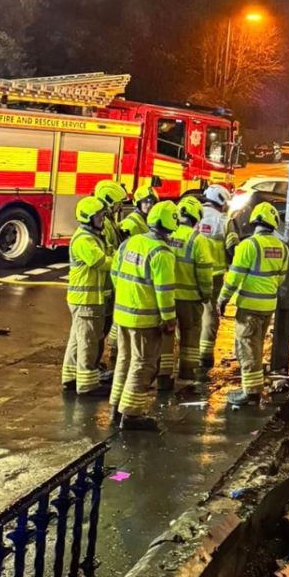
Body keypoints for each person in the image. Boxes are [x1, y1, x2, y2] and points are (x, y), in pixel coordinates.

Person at [109, 200, 178, 431]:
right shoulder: (162, 253)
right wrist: (169, 319)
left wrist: (125, 299)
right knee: (144, 364)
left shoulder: (131, 242)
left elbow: (115, 273)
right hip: (144, 320)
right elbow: (164, 292)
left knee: (124, 361)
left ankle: (116, 407)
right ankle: (131, 414)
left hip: (122, 315)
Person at [217, 201, 287, 408]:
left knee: (247, 348)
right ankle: (253, 389)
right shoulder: (281, 248)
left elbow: (234, 277)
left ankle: (250, 393)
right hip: (267, 307)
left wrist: (223, 299)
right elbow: (281, 278)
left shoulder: (248, 245)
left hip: (249, 307)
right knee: (256, 347)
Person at [61, 196, 111, 397]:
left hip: (85, 298)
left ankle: (71, 379)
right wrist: (122, 260)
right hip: (87, 300)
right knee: (89, 342)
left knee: (78, 339)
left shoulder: (92, 236)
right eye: (99, 216)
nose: (102, 219)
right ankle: (87, 385)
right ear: (88, 218)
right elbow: (100, 262)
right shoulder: (85, 240)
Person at [169, 196, 216, 382]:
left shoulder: (168, 234)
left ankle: (165, 376)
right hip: (190, 299)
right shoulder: (197, 240)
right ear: (196, 217)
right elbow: (204, 272)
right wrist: (206, 294)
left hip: (167, 297)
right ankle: (187, 374)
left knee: (167, 337)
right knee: (190, 335)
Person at [197, 184, 237, 370]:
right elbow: (232, 249)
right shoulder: (224, 221)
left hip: (189, 274)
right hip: (214, 276)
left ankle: (186, 352)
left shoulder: (191, 214)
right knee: (210, 314)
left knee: (188, 314)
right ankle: (204, 355)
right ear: (221, 201)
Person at [94, 179, 128, 365]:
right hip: (104, 284)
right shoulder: (104, 223)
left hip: (107, 284)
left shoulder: (108, 221)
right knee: (99, 330)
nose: (120, 206)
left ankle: (95, 363)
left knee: (102, 328)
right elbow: (107, 252)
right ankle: (92, 365)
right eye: (118, 202)